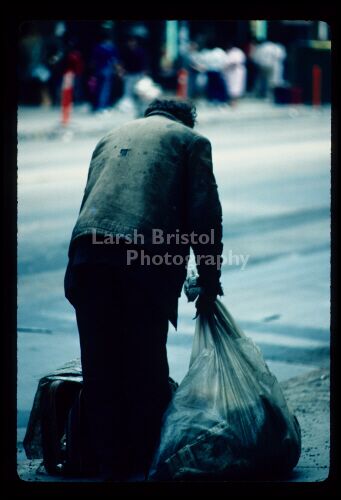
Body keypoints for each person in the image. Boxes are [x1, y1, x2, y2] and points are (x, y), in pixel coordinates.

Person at [64, 98, 224, 481]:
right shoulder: (190, 140)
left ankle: (110, 465)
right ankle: (145, 461)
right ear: (186, 120)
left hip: (86, 256)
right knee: (145, 364)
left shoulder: (110, 135)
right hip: (143, 260)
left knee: (100, 366)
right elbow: (205, 214)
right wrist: (210, 279)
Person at [223, 42, 247, 106]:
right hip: (231, 72)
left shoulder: (237, 52)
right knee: (231, 86)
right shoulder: (231, 52)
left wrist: (227, 66)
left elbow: (235, 62)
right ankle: (232, 101)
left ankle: (234, 102)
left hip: (236, 71)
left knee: (236, 87)